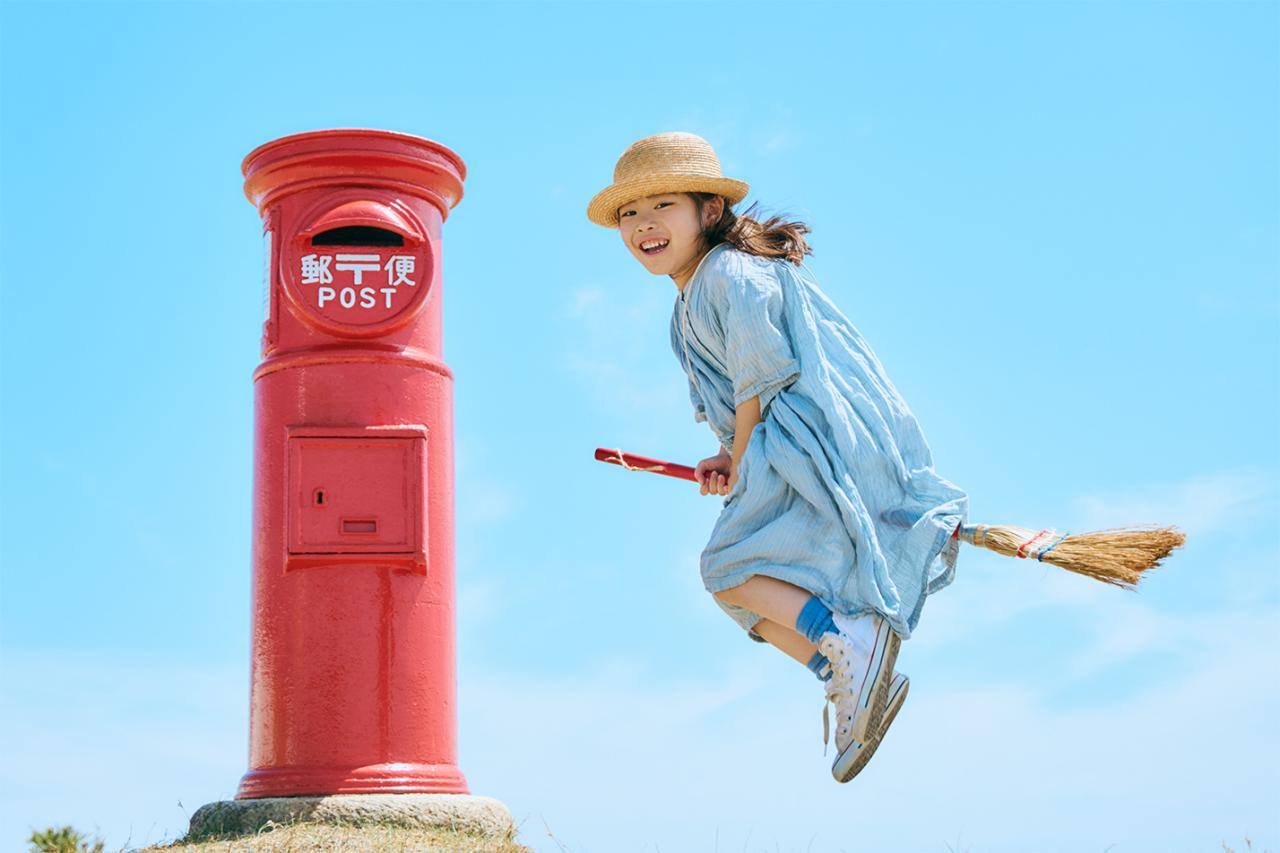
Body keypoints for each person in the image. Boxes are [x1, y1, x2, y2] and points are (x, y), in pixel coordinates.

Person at [586, 131, 969, 782]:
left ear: (709, 211)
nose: (644, 225)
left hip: (803, 441)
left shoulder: (731, 274)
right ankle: (846, 671)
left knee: (727, 564)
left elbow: (762, 376)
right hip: (771, 440)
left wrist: (741, 456)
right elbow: (736, 398)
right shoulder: (687, 305)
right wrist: (724, 454)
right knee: (743, 597)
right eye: (630, 213)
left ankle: (851, 638)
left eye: (663, 206)